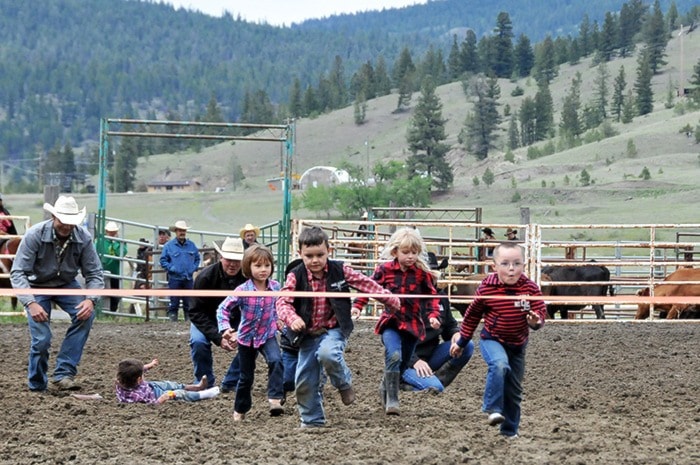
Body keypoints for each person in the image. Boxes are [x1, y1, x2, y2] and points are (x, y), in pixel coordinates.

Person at [276, 226, 400, 428]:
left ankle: (343, 383)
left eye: (320, 255)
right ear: (300, 254)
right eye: (309, 256)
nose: (315, 260)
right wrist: (292, 318)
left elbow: (365, 283)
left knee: (328, 354)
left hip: (335, 328)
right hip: (307, 334)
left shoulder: (340, 270)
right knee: (304, 380)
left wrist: (389, 299)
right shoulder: (295, 275)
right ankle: (312, 421)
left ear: (329, 252)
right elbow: (282, 301)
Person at [450, 242, 546, 439]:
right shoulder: (487, 288)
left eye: (516, 263)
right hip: (492, 338)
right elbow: (471, 317)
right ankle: (493, 408)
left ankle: (510, 432)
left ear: (524, 265)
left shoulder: (530, 288)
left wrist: (536, 321)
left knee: (514, 390)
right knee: (499, 364)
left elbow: (540, 313)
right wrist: (461, 342)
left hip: (518, 344)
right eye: (505, 264)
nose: (511, 269)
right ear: (495, 266)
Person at [10, 196, 104, 392]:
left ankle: (63, 373)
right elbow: (18, 272)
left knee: (86, 315)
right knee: (42, 338)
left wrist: (90, 300)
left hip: (66, 284)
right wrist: (30, 302)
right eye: (63, 220)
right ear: (54, 216)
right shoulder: (34, 235)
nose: (67, 226)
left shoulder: (84, 238)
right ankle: (37, 384)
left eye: (71, 222)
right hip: (36, 286)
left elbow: (94, 273)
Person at [353, 227, 441, 415]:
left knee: (402, 362)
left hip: (412, 326)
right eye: (406, 252)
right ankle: (393, 400)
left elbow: (432, 296)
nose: (410, 256)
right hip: (391, 323)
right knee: (394, 355)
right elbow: (369, 288)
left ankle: (386, 386)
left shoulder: (421, 274)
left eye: (414, 253)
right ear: (395, 252)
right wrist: (358, 306)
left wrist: (433, 315)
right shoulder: (384, 270)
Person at [217, 245, 284, 421]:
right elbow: (223, 308)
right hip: (247, 338)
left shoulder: (276, 287)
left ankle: (275, 399)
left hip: (268, 334)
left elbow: (281, 305)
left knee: (276, 360)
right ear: (248, 267)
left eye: (267, 266)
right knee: (246, 377)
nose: (263, 270)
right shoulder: (242, 290)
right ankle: (240, 410)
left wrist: (280, 319)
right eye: (258, 266)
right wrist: (225, 328)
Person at [189, 237, 247, 392]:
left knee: (252, 341)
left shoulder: (248, 278)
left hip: (237, 321)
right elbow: (195, 312)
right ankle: (204, 381)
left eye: (237, 260)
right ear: (221, 257)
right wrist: (218, 336)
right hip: (206, 319)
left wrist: (240, 330)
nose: (233, 264)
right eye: (229, 259)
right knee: (198, 342)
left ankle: (232, 381)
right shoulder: (205, 278)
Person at [401, 292, 474, 393]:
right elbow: (396, 338)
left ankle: (436, 381)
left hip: (430, 355)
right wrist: (414, 361)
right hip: (407, 360)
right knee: (435, 387)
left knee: (466, 344)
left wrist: (456, 333)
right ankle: (404, 386)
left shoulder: (441, 297)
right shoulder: (408, 296)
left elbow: (450, 325)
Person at [115, 358, 220, 404]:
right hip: (156, 396)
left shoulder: (123, 380)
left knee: (169, 384)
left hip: (150, 386)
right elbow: (152, 405)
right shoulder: (136, 397)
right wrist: (162, 399)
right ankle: (203, 394)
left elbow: (136, 370)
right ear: (139, 379)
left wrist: (149, 366)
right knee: (178, 393)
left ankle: (197, 387)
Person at [160, 220, 200, 322]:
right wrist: (172, 268)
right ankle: (173, 321)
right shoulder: (169, 246)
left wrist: (193, 268)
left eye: (183, 230)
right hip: (175, 278)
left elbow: (197, 258)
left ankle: (188, 321)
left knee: (189, 302)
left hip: (188, 277)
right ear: (176, 231)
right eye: (180, 230)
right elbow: (163, 260)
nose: (182, 232)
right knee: (174, 302)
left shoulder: (191, 245)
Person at [95, 221, 126, 313]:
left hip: (115, 273)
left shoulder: (120, 242)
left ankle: (112, 312)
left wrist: (115, 243)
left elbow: (122, 253)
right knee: (102, 293)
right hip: (103, 272)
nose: (111, 233)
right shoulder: (100, 242)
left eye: (113, 232)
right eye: (110, 232)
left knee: (115, 296)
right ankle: (102, 312)